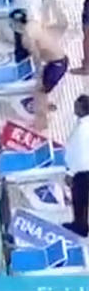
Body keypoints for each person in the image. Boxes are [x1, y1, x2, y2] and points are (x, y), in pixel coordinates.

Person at [10, 9, 67, 130]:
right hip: (61, 60)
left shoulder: (27, 36)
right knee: (42, 91)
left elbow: (36, 58)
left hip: (55, 65)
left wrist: (39, 76)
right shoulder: (33, 23)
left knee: (39, 94)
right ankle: (45, 106)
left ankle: (41, 125)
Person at [63, 94, 89, 237]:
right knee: (83, 199)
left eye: (76, 106)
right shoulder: (83, 125)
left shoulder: (83, 130)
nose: (74, 108)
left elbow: (80, 154)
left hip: (83, 170)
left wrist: (71, 173)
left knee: (79, 199)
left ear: (82, 109)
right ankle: (81, 224)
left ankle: (80, 226)